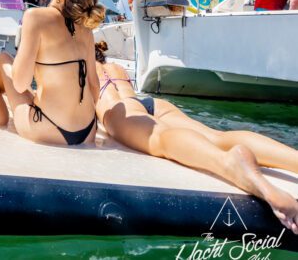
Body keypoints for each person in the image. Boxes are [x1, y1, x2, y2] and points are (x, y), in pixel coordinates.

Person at [94, 42, 298, 234]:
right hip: (151, 104)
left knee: (161, 139)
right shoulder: (115, 67)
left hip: (120, 111)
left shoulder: (82, 64)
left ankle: (228, 163)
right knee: (217, 136)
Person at [0, 0, 103, 146]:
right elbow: (94, 85)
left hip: (48, 127)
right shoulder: (85, 29)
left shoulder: (35, 16)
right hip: (88, 131)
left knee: (3, 60)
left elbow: (20, 84)